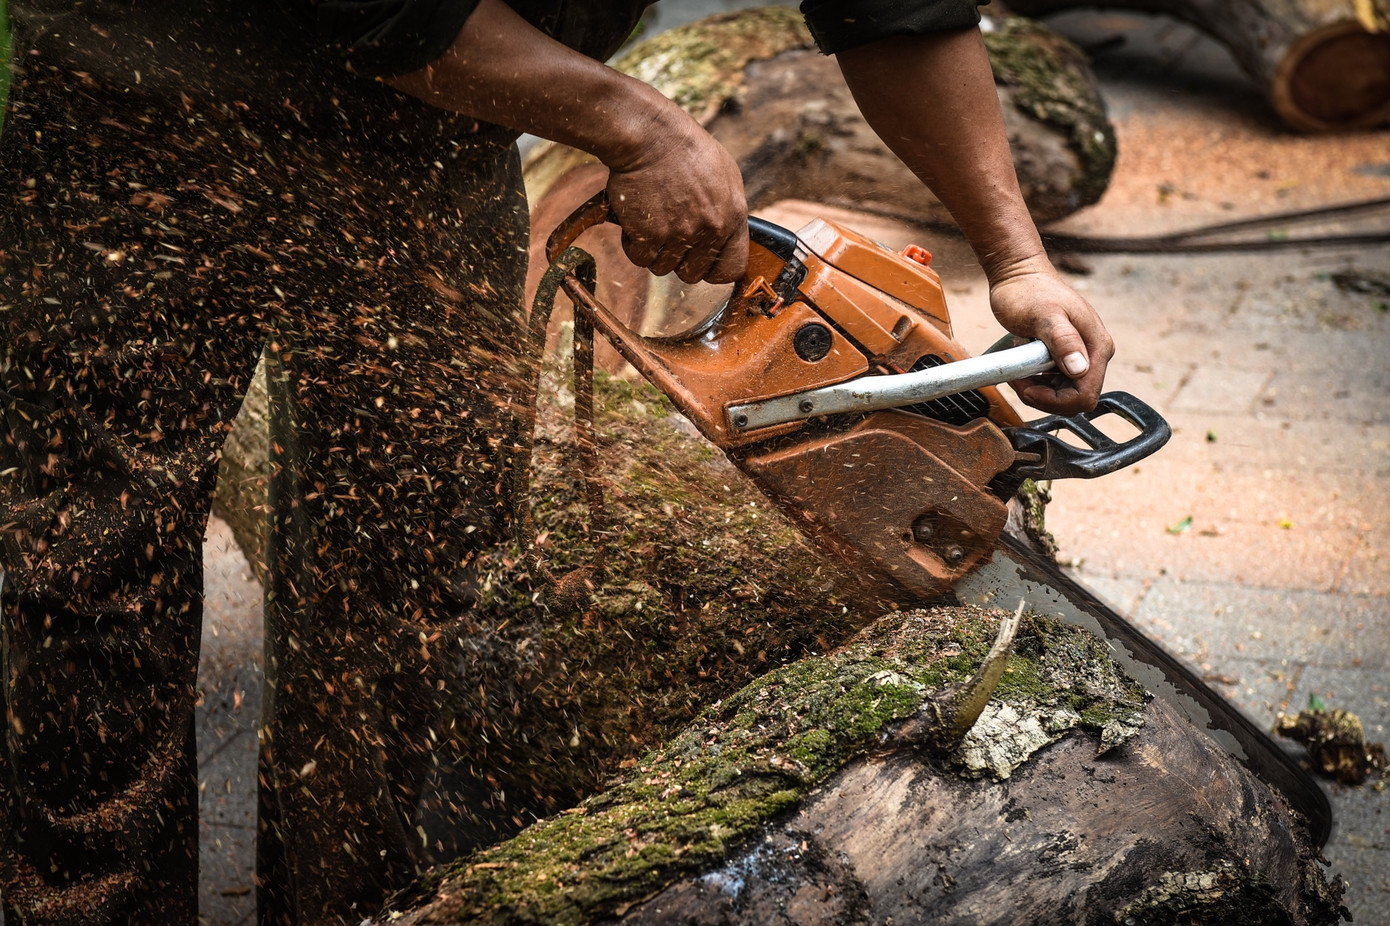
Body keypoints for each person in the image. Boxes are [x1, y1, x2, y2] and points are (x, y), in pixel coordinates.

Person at [0, 0, 1114, 923]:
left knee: (402, 563)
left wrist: (1016, 257)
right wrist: (635, 123)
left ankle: (343, 903)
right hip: (144, 108)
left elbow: (896, 8)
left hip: (437, 134)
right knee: (93, 567)